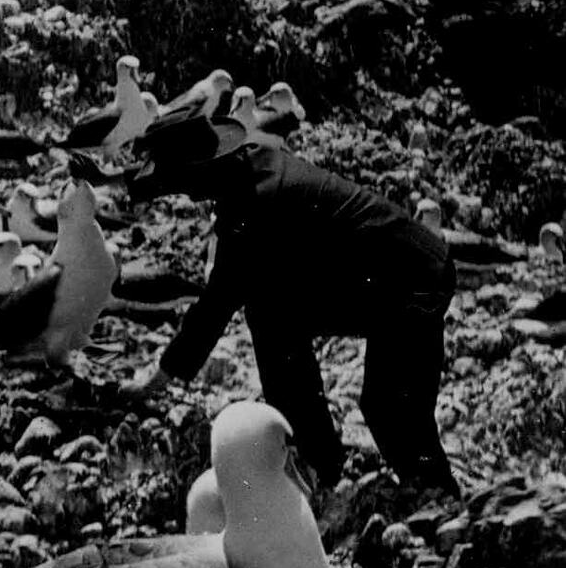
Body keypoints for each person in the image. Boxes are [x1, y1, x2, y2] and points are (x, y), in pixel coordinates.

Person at [119, 114, 460, 497]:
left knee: (389, 407)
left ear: (200, 172)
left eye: (182, 182)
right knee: (271, 313)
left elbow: (215, 307)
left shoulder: (252, 205)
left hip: (414, 283)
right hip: (393, 270)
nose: (185, 193)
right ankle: (321, 459)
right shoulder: (253, 163)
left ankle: (437, 501)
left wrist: (156, 381)